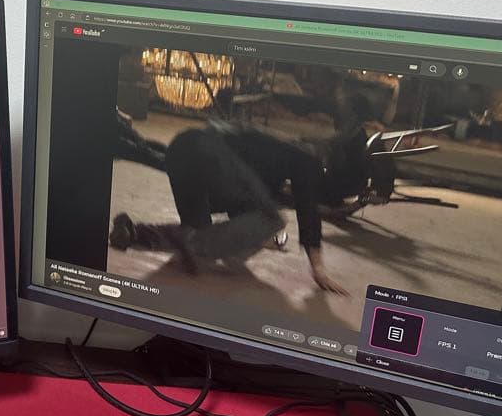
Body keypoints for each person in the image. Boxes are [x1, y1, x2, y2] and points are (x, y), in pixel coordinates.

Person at [109, 121, 350, 294]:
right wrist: (318, 269)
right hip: (211, 154)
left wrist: (252, 235)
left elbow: (241, 200)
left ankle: (133, 232)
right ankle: (187, 239)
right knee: (274, 219)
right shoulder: (308, 160)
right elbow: (308, 209)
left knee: (198, 233)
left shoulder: (273, 148)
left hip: (183, 146)